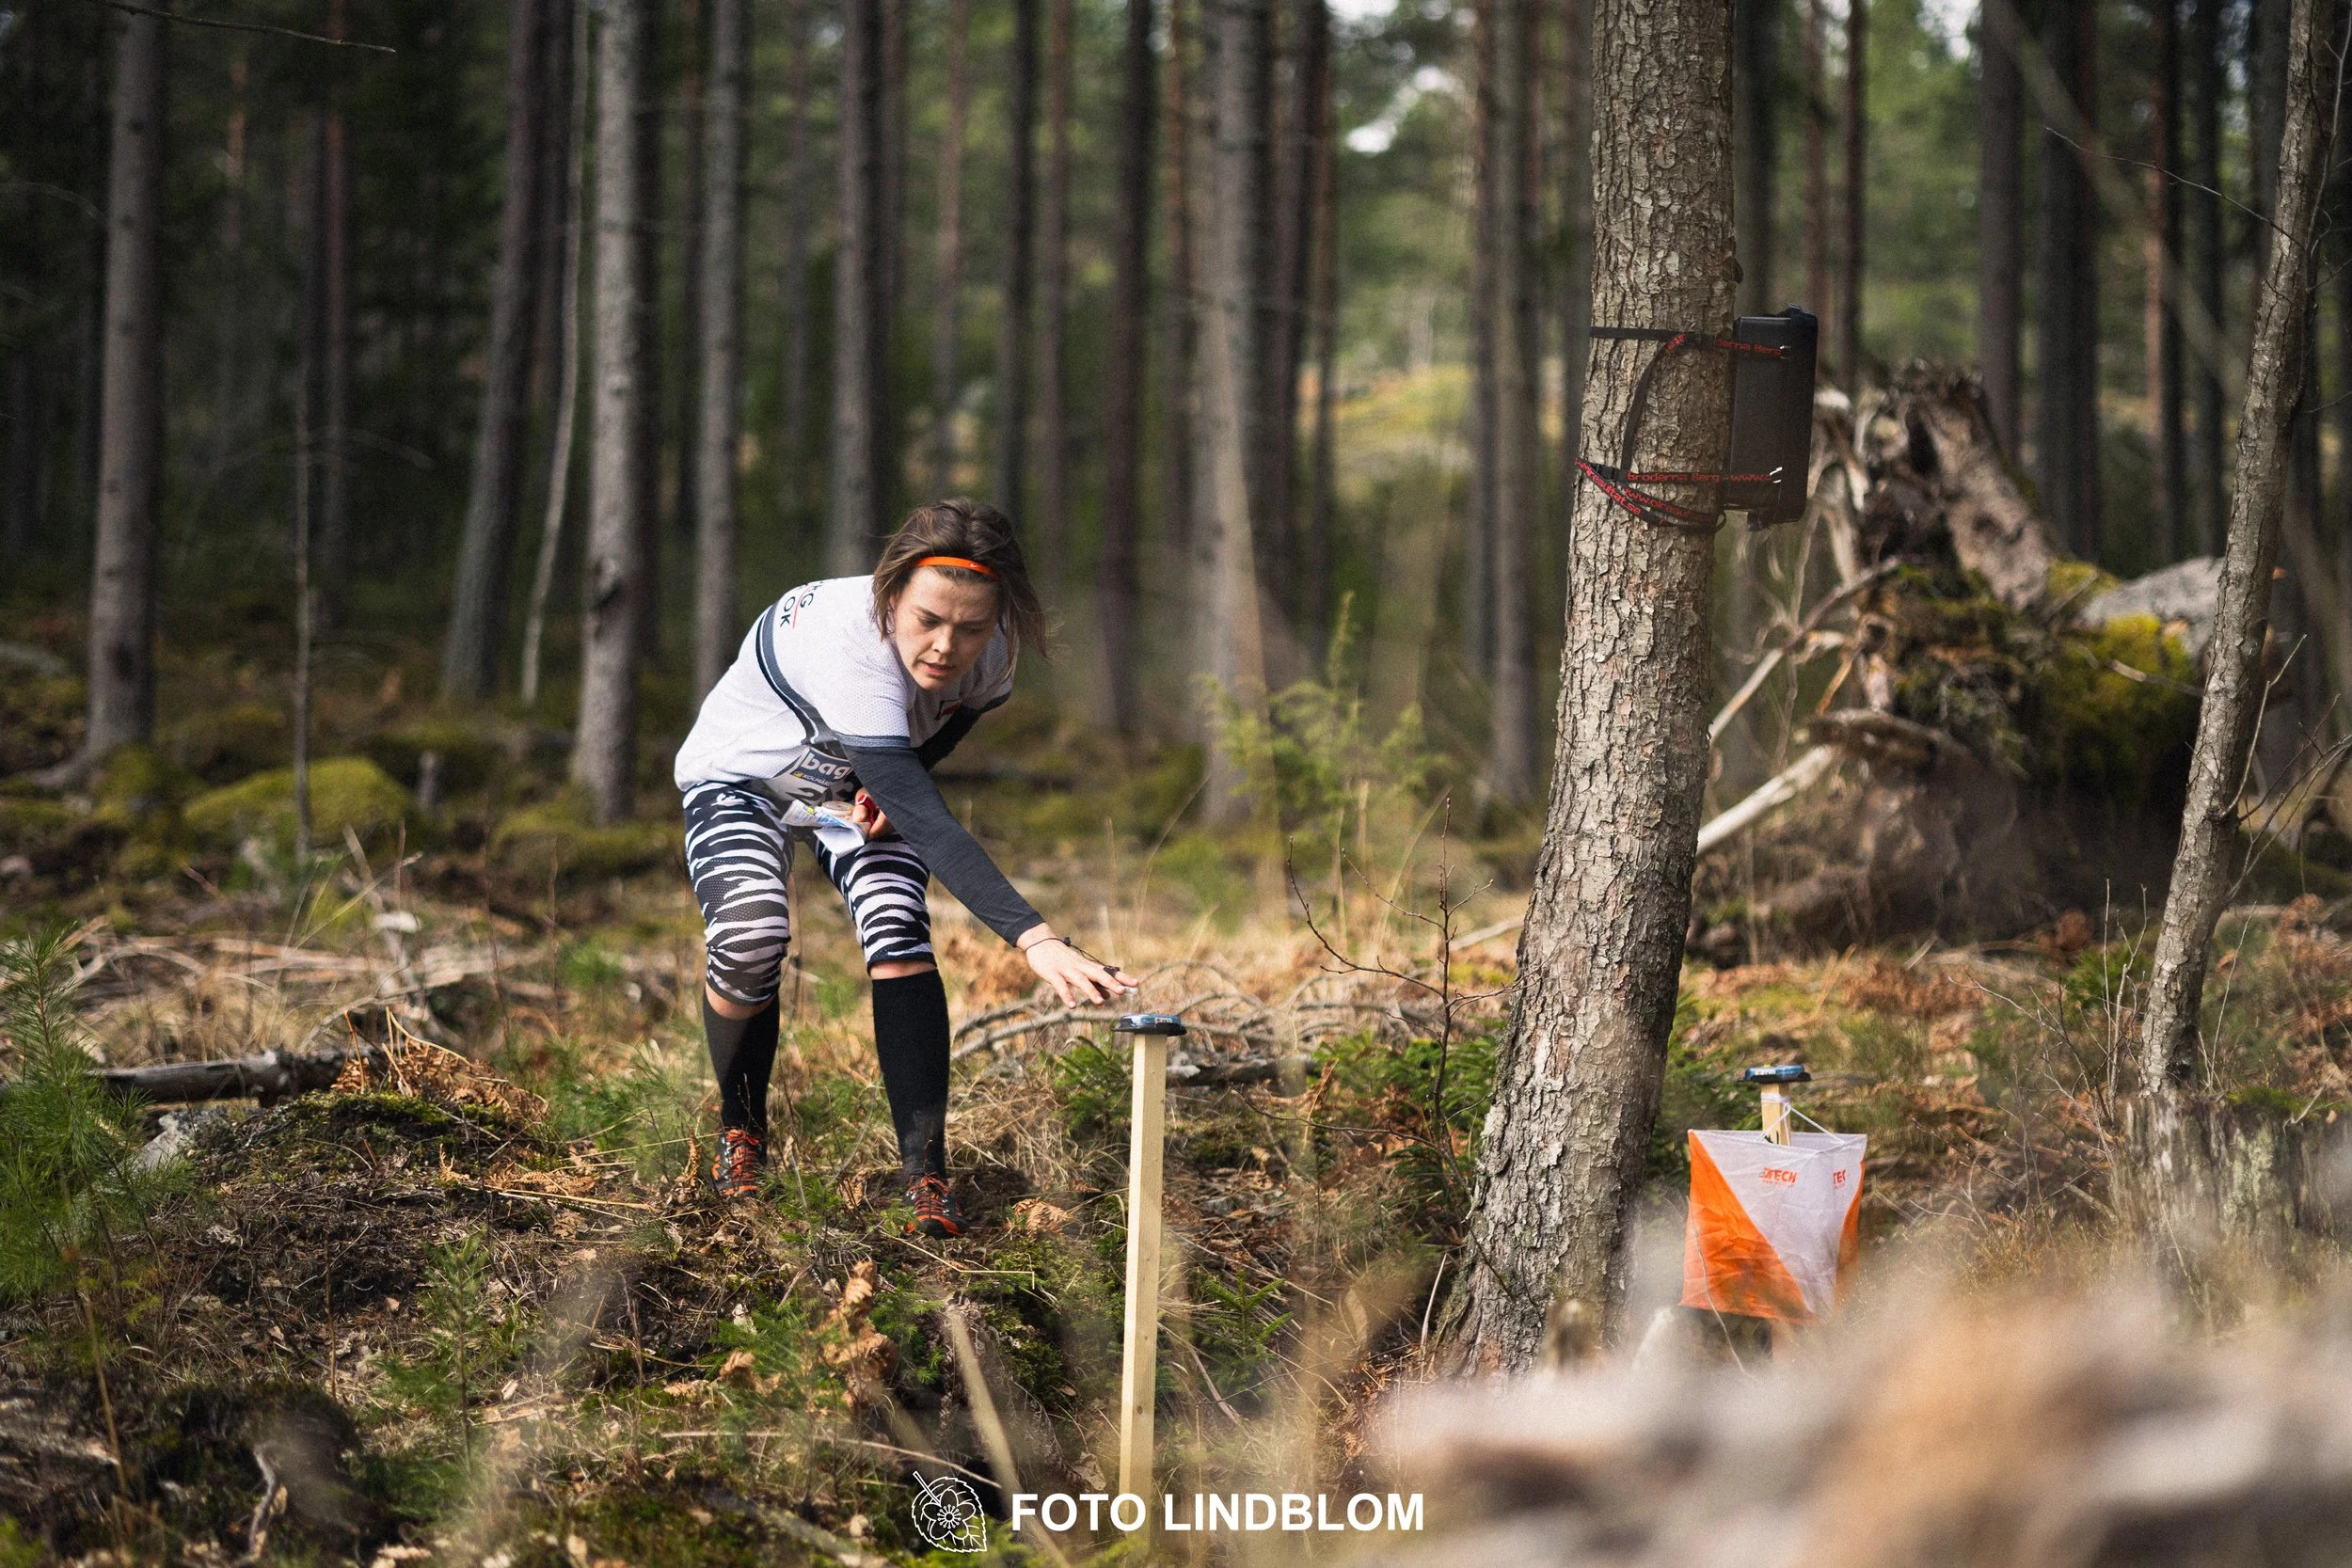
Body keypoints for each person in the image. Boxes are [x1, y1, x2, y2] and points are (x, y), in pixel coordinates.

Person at [674, 499, 1136, 1235]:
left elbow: (954, 721)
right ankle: (741, 1133)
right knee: (753, 934)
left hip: (847, 788)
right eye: (927, 620)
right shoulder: (847, 643)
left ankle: (925, 1175)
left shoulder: (993, 655)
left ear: (999, 618)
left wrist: (896, 776)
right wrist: (1035, 936)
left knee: (898, 927)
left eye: (971, 626)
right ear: (890, 596)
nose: (947, 646)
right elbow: (934, 824)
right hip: (745, 777)